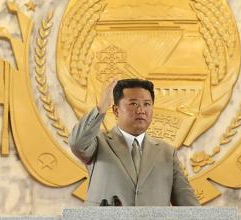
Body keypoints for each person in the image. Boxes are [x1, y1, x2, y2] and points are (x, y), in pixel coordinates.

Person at [69, 78, 199, 206]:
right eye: (133, 104)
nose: (141, 110)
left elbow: (188, 204)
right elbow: (77, 143)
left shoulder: (167, 153)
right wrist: (101, 108)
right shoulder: (99, 143)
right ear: (116, 110)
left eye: (147, 104)